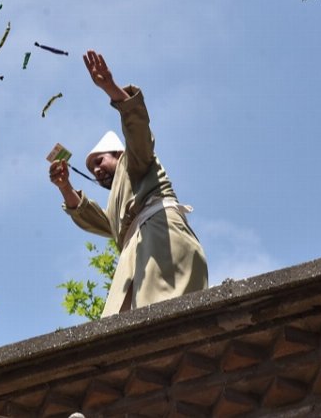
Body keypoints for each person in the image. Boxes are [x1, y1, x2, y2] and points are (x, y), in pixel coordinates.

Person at [49, 50, 208, 317]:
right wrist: (65, 187)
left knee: (164, 318)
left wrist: (110, 88)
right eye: (91, 168)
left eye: (99, 161)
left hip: (160, 240)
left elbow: (138, 130)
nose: (96, 170)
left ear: (119, 154)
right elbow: (98, 219)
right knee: (119, 330)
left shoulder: (135, 162)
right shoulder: (120, 210)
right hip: (137, 251)